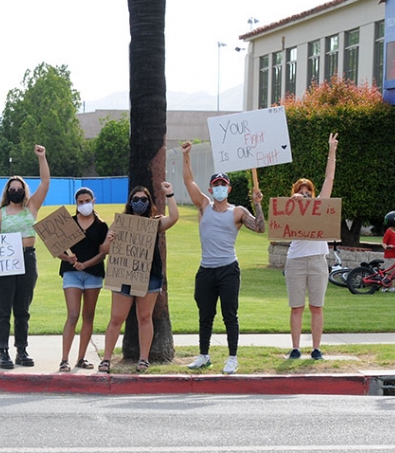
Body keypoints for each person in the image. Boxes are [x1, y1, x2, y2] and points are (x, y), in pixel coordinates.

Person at [180, 141, 265, 374]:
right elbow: (189, 181)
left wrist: (258, 205)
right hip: (206, 269)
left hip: (228, 269)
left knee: (230, 314)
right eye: (215, 185)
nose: (219, 188)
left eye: (222, 185)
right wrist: (186, 156)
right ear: (210, 189)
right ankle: (204, 355)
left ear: (228, 189)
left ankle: (232, 358)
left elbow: (260, 228)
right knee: (205, 314)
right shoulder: (203, 206)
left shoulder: (237, 212)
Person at [99, 183, 179, 374]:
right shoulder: (120, 223)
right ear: (130, 202)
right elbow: (104, 250)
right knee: (116, 318)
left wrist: (170, 194)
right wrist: (109, 241)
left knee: (144, 317)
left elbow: (174, 218)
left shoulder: (154, 222)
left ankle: (144, 359)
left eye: (144, 200)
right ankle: (106, 359)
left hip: (149, 275)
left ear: (149, 202)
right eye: (136, 199)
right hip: (123, 275)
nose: (139, 203)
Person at [0, 145, 50, 369]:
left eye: (19, 188)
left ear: (24, 190)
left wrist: (41, 158)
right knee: (2, 309)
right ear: (7, 192)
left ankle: (21, 350)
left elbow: (45, 183)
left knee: (22, 309)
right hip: (5, 263)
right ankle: (2, 352)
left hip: (27, 258)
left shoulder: (31, 208)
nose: (16, 191)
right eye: (12, 189)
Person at [283, 133, 338, 361]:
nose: (305, 196)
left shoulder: (319, 206)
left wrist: (331, 151)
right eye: (301, 192)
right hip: (296, 260)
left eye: (308, 193)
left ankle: (316, 349)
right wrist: (293, 203)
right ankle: (295, 348)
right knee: (297, 307)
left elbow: (329, 180)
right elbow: (281, 223)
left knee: (317, 306)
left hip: (317, 259)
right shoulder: (290, 208)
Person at [56, 188, 109, 372]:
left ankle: (81, 358)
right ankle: (64, 359)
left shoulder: (102, 226)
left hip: (93, 273)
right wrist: (68, 258)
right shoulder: (68, 223)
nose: (84, 204)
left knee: (88, 315)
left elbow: (103, 252)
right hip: (71, 273)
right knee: (72, 315)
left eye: (87, 200)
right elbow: (57, 249)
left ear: (93, 201)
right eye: (80, 202)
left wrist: (86, 264)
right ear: (76, 203)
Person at [381, 210, 395, 293]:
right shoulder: (389, 232)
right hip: (390, 255)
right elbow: (383, 243)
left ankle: (391, 287)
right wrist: (387, 247)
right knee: (389, 272)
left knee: (393, 272)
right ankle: (384, 287)